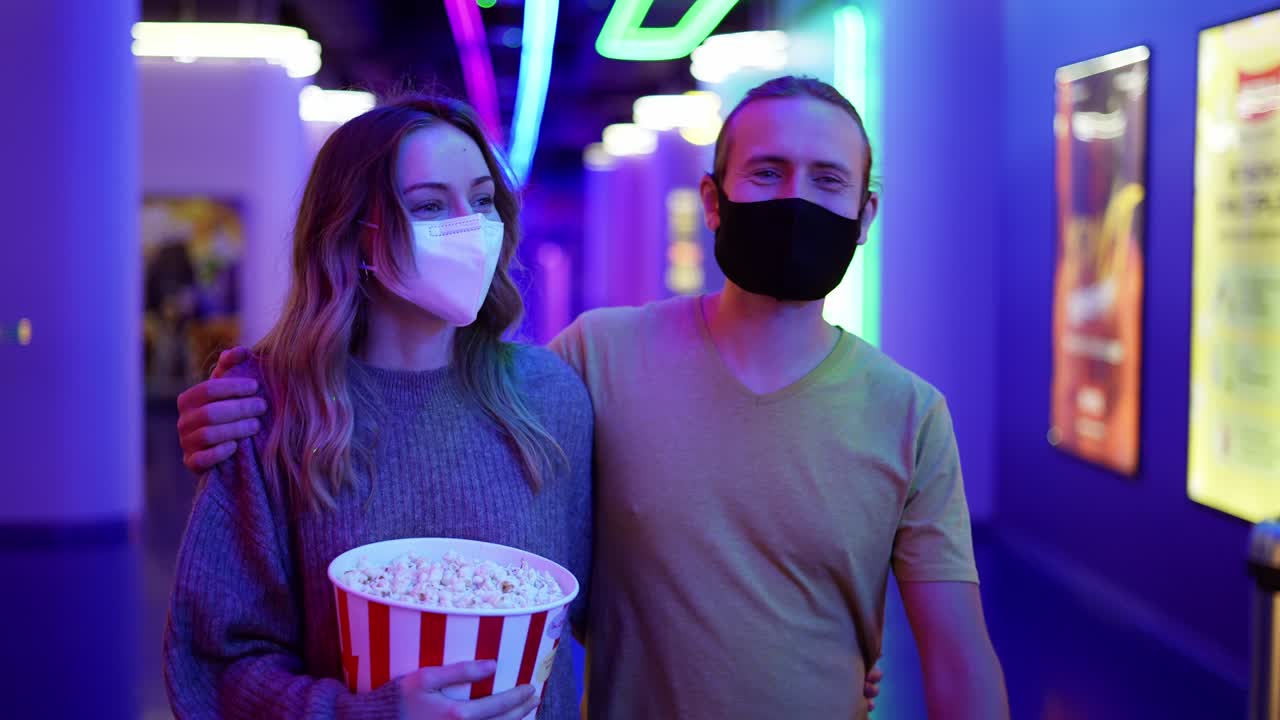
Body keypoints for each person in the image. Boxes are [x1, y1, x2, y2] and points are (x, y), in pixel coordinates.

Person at [176, 76, 1001, 719]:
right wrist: (240, 403)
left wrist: (805, 662)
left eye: (827, 180)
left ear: (865, 214)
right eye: (767, 172)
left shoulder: (910, 415)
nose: (795, 200)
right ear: (714, 200)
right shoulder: (587, 368)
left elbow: (953, 657)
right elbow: (223, 657)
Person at [163, 94, 594, 720]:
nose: (468, 225)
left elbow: (580, 615)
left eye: (481, 199)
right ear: (352, 235)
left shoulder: (551, 400)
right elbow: (216, 666)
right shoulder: (269, 411)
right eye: (427, 206)